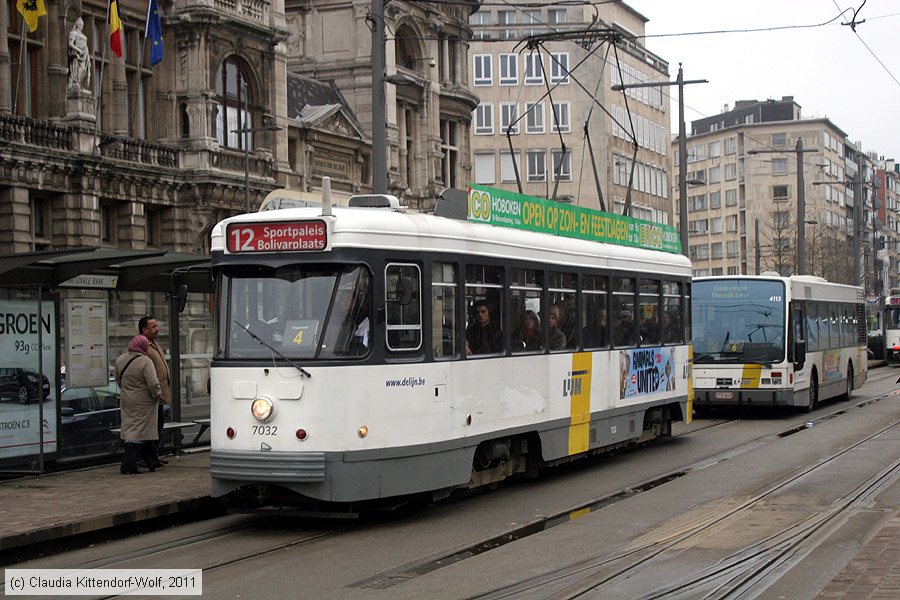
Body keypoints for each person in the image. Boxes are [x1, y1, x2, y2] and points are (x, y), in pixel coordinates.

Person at [115, 335, 163, 474]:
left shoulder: (121, 359)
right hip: (144, 402)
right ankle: (128, 464)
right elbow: (153, 383)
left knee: (138, 429)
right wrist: (158, 395)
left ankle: (151, 461)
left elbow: (118, 379)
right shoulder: (145, 362)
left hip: (127, 399)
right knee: (137, 432)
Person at [140, 316, 171, 460]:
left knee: (159, 427)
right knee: (152, 428)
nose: (156, 329)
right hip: (151, 396)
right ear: (144, 330)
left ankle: (155, 456)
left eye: (156, 326)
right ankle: (150, 458)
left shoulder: (154, 343)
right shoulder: (143, 345)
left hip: (160, 395)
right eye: (153, 327)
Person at [67, 18, 91, 92]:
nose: (82, 26)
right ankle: (76, 84)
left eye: (82, 25)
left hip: (85, 55)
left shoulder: (83, 35)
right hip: (78, 55)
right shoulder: (73, 33)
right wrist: (79, 50)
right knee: (79, 70)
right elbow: (70, 44)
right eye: (80, 25)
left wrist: (88, 56)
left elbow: (86, 46)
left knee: (84, 70)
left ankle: (80, 85)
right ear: (77, 25)